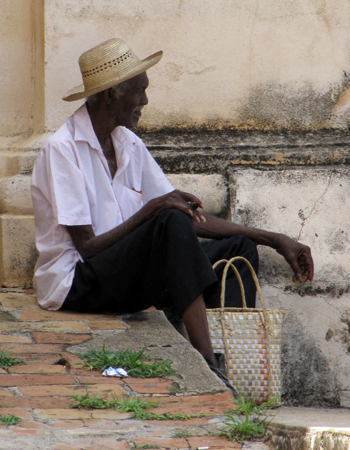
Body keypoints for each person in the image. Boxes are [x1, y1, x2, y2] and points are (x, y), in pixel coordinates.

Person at [31, 38, 314, 396]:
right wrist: (154, 209)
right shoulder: (62, 149)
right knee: (169, 219)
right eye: (140, 91)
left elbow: (182, 211)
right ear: (110, 96)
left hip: (123, 277)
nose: (145, 102)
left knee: (238, 248)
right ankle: (207, 364)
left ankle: (229, 357)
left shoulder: (128, 144)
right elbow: (87, 247)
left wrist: (273, 238)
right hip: (77, 284)